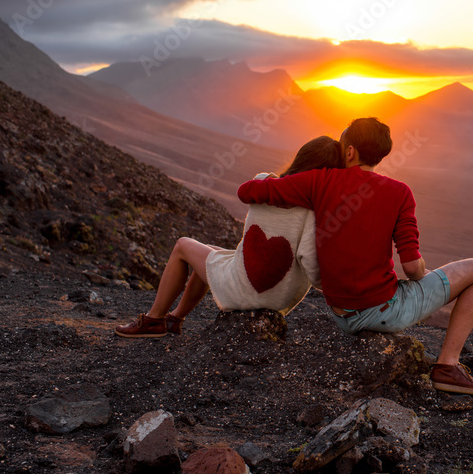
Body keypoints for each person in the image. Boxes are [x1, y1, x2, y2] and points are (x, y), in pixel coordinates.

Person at [236, 117, 473, 396]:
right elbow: (411, 269)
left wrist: (279, 182)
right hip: (383, 312)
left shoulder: (319, 181)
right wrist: (425, 274)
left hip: (341, 315)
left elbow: (246, 191)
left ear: (349, 152)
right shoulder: (399, 192)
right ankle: (448, 366)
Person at [114, 136, 344, 338]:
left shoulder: (264, 182)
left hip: (244, 291)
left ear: (301, 158)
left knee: (183, 245)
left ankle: (154, 320)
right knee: (212, 252)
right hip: (279, 300)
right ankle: (175, 319)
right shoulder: (315, 211)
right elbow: (312, 265)